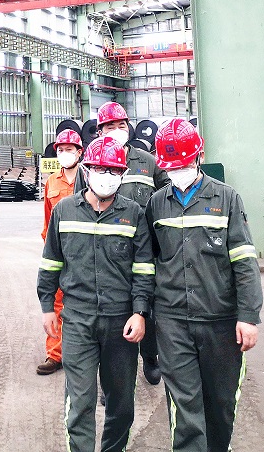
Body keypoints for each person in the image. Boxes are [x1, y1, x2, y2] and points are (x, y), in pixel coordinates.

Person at [146, 117, 262, 452]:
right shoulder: (157, 203)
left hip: (220, 321)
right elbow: (149, 263)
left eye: (183, 164)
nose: (178, 172)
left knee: (220, 406)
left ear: (199, 156)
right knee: (186, 410)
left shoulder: (227, 199)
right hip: (173, 321)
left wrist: (248, 316)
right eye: (171, 167)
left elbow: (244, 261)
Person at [37, 136, 155, 452]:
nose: (107, 176)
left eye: (114, 170)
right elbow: (51, 261)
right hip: (78, 320)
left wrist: (140, 312)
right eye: (100, 169)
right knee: (80, 401)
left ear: (123, 173)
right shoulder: (64, 211)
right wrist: (47, 306)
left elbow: (144, 268)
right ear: (86, 170)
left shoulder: (134, 214)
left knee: (121, 403)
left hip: (121, 322)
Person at [97, 101, 168, 385]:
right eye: (110, 126)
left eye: (121, 125)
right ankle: (111, 379)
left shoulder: (147, 162)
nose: (117, 130)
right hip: (107, 252)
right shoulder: (92, 162)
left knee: (147, 305)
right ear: (100, 131)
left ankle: (150, 356)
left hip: (144, 249)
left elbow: (168, 194)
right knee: (112, 313)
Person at [36, 128, 84, 376]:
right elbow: (48, 221)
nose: (65, 153)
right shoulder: (52, 182)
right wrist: (50, 251)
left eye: (69, 149)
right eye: (61, 150)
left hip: (84, 252)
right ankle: (55, 354)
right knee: (56, 300)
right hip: (59, 252)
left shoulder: (90, 179)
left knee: (83, 302)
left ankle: (84, 353)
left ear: (79, 152)